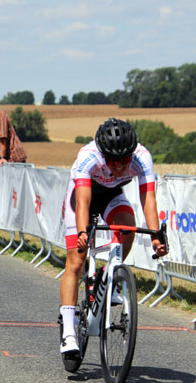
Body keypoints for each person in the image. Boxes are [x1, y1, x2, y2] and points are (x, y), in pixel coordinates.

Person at [59, 118, 167, 358]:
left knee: (128, 227)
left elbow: (148, 199)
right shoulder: (89, 157)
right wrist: (83, 232)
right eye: (114, 161)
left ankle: (108, 276)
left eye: (124, 161)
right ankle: (68, 332)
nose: (119, 166)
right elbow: (82, 202)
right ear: (104, 154)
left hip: (111, 195)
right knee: (76, 261)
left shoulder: (142, 157)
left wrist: (155, 236)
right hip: (83, 193)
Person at [0, 93, 28, 165]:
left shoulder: (0, 116)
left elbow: (2, 139)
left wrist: (2, 157)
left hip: (14, 158)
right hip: (4, 157)